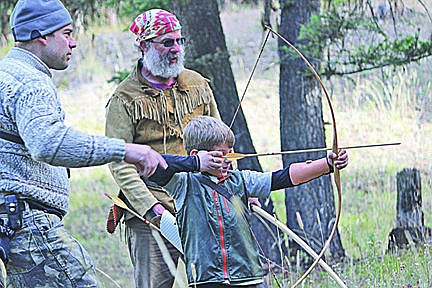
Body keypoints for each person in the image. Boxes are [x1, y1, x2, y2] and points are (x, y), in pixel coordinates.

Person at [0, 0, 167, 287]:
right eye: (67, 33)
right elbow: (48, 142)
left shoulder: (6, 74)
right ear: (42, 35)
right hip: (27, 226)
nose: (74, 43)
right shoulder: (29, 81)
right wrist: (125, 150)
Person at [148, 115, 349, 287]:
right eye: (221, 155)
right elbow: (153, 165)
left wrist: (327, 164)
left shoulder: (241, 180)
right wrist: (196, 163)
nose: (228, 160)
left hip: (247, 276)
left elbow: (284, 177)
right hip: (206, 279)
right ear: (197, 155)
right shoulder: (183, 183)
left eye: (231, 153)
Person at [104, 8, 220, 288]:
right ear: (144, 46)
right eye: (167, 42)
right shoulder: (124, 98)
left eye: (179, 41)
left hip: (199, 205)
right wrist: (151, 208)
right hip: (151, 213)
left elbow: (220, 140)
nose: (176, 49)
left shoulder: (197, 84)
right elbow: (119, 162)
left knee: (214, 282)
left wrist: (234, 189)